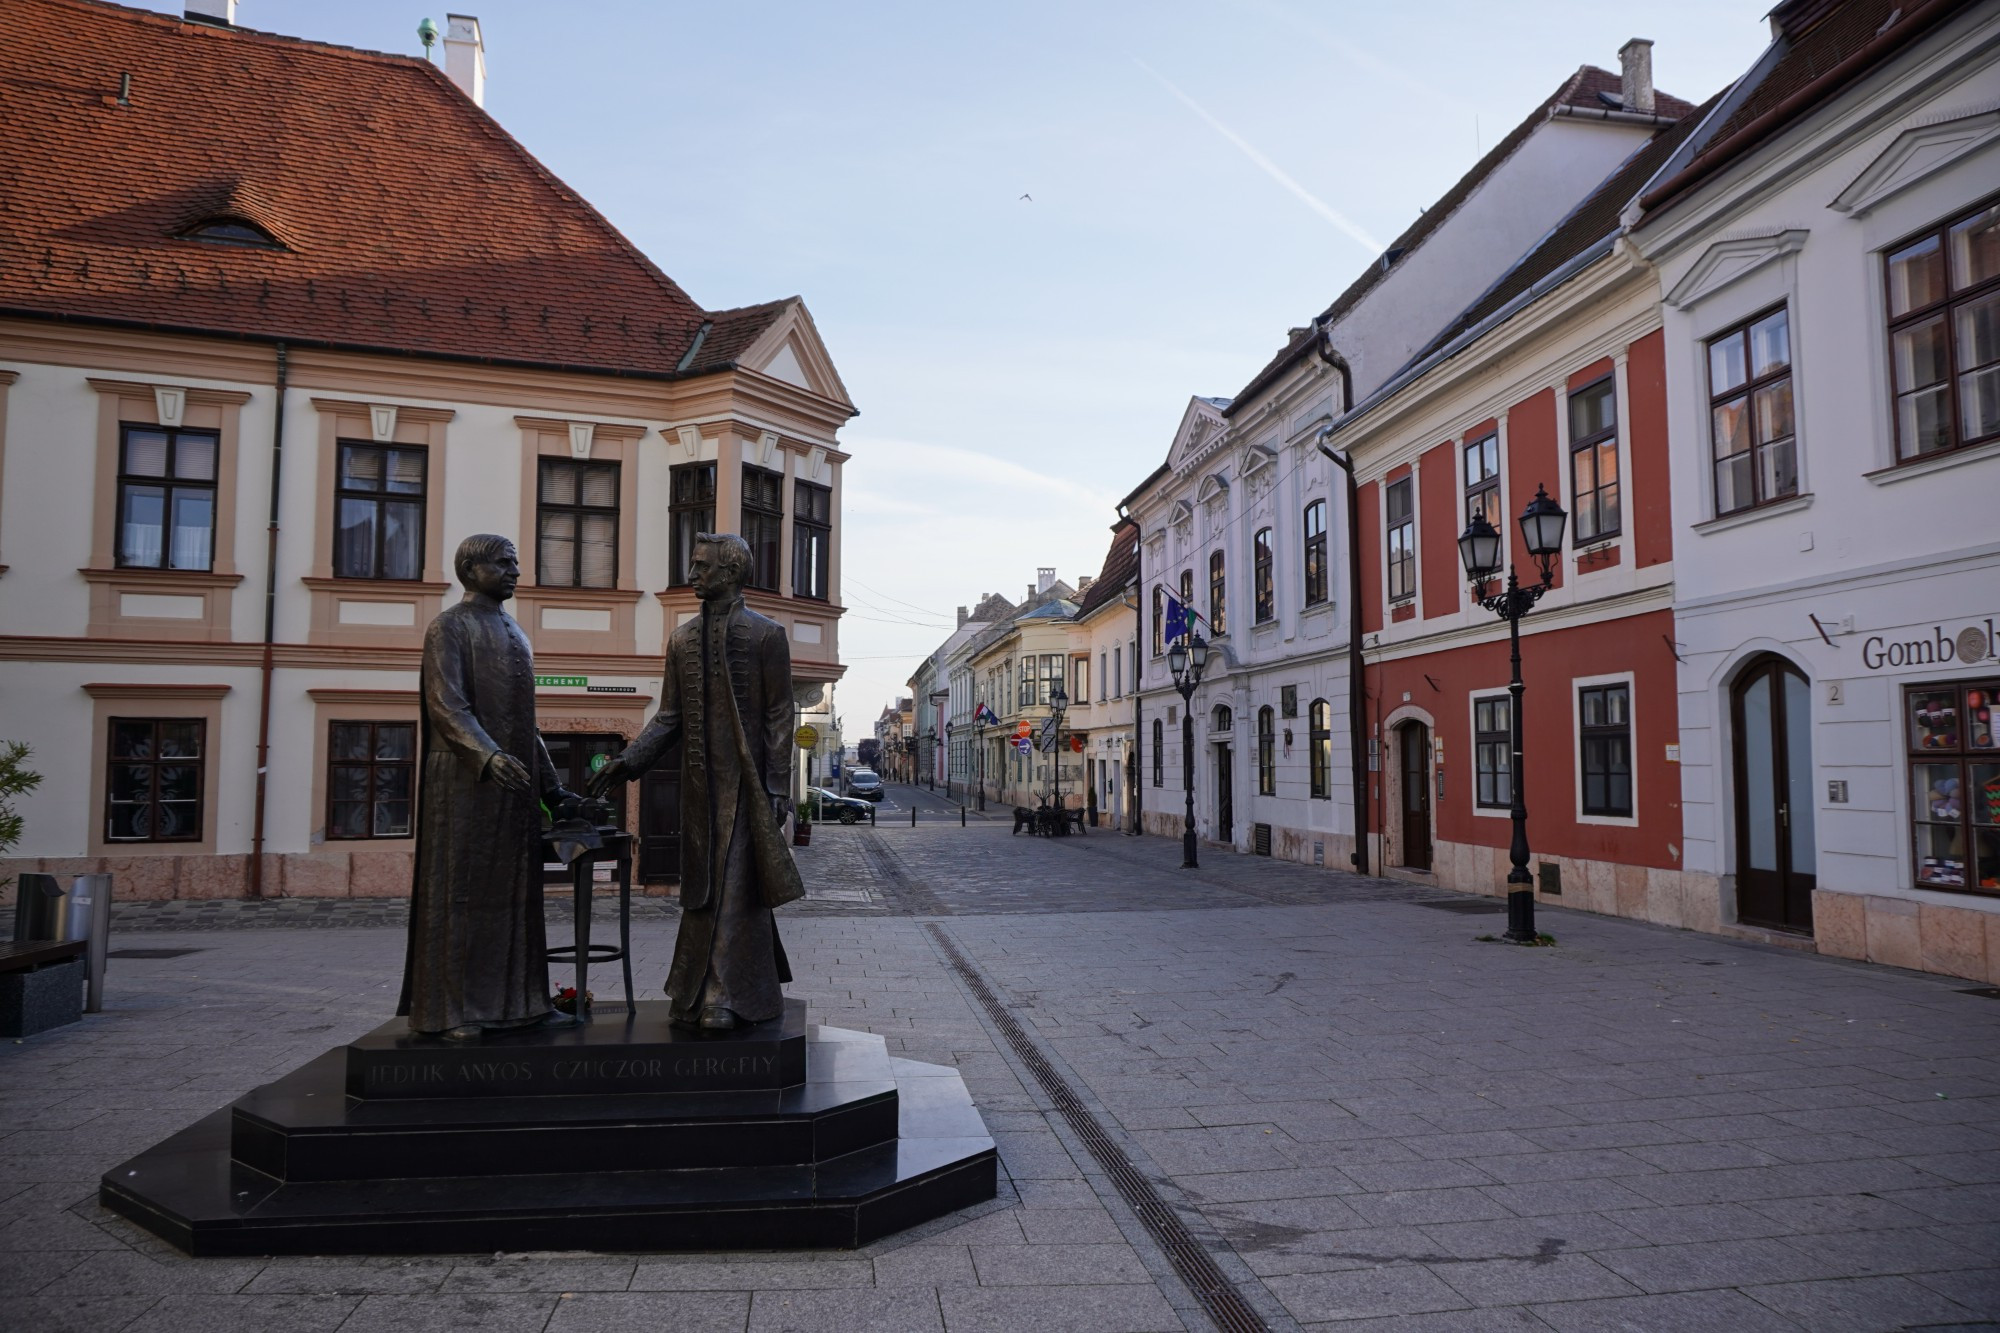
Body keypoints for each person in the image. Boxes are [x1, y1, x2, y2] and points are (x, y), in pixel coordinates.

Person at [588, 532, 804, 1030]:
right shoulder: (681, 639)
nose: (692, 575)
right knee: (704, 891)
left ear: (730, 573)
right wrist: (629, 761)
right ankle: (703, 990)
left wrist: (776, 788)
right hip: (700, 789)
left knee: (733, 888)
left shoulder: (766, 635)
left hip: (746, 788)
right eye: (693, 565)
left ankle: (722, 997)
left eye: (701, 566)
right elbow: (668, 717)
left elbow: (778, 716)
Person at [399, 534, 577, 1040]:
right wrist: (488, 755)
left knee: (518, 903)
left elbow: (527, 726)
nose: (515, 572)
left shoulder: (515, 633)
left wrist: (553, 790)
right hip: (463, 782)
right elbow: (447, 706)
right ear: (470, 569)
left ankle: (524, 1003)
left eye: (515, 563)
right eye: (504, 564)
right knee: (463, 898)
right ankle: (456, 1010)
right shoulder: (449, 628)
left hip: (511, 787)